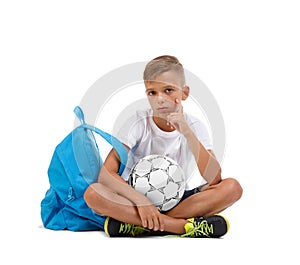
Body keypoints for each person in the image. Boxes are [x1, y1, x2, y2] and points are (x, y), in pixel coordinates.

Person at [84, 55, 243, 237]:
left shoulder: (195, 126)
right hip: (135, 200)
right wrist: (142, 202)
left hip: (177, 200)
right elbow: (106, 175)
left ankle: (139, 224)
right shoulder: (137, 123)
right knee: (93, 193)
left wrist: (187, 133)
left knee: (232, 187)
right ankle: (180, 227)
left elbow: (214, 178)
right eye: (152, 92)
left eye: (168, 90)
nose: (160, 99)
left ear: (184, 93)